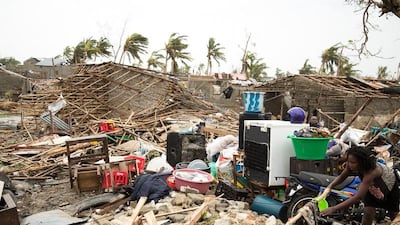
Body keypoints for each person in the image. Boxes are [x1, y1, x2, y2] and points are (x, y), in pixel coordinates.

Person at [320, 146, 399, 225]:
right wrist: (329, 187)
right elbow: (341, 177)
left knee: (393, 215)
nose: (350, 165)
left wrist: (334, 208)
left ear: (362, 162)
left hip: (389, 188)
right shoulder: (350, 165)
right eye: (348, 161)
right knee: (368, 212)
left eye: (353, 162)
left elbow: (358, 197)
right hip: (371, 187)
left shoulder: (372, 172)